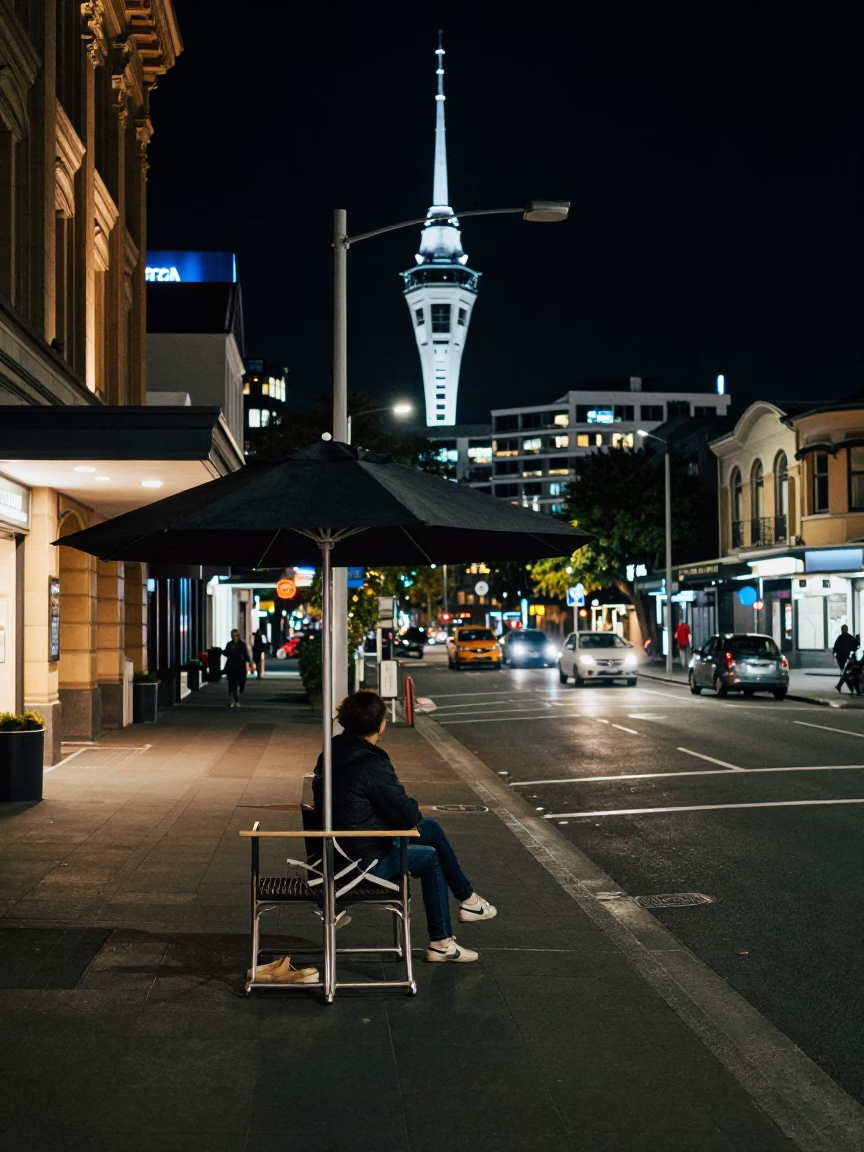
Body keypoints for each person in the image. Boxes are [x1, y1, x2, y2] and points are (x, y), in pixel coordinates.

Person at [313, 690, 497, 963]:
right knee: (430, 857)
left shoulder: (331, 752)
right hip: (362, 862)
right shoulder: (371, 763)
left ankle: (469, 900)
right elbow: (407, 816)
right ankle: (442, 941)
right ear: (381, 725)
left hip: (337, 852)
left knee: (431, 827)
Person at [223, 628, 252, 707]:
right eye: (233, 635)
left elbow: (245, 654)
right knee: (232, 684)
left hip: (240, 666)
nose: (235, 637)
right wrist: (221, 651)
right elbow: (226, 653)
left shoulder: (242, 644)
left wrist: (250, 662)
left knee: (241, 682)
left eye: (236, 635)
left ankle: (237, 697)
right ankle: (234, 700)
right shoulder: (229, 644)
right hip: (231, 666)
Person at [834, 627, 861, 694]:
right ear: (847, 630)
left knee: (845, 673)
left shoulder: (840, 638)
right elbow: (857, 644)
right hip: (847, 657)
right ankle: (847, 686)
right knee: (845, 672)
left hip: (840, 658)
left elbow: (835, 648)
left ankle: (842, 686)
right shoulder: (850, 637)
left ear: (842, 630)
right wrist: (853, 649)